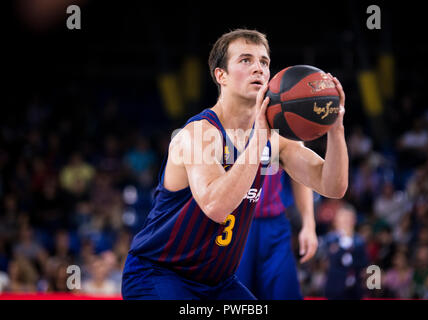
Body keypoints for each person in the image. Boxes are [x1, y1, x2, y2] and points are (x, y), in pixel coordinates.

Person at [121, 28, 348, 300]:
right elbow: (216, 207)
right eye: (245, 60)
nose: (258, 69)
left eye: (264, 62)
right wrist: (260, 137)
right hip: (159, 273)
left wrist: (335, 131)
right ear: (221, 76)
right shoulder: (198, 135)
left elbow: (332, 185)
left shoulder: (276, 141)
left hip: (218, 284)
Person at [236, 169, 317, 299]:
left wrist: (309, 224)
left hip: (274, 225)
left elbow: (301, 172)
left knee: (285, 292)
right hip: (234, 225)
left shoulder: (279, 147)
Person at [322, 204, 368, 300]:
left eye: (348, 218)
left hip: (355, 291)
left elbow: (364, 264)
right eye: (343, 217)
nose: (346, 221)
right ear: (336, 221)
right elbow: (325, 262)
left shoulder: (359, 241)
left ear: (354, 220)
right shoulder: (330, 239)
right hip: (334, 289)